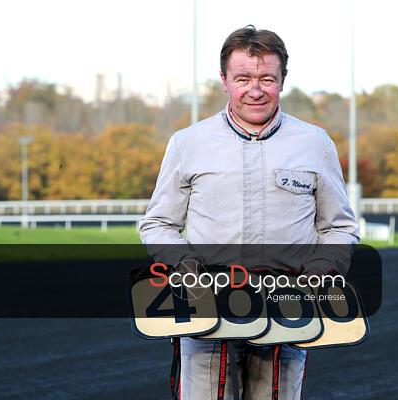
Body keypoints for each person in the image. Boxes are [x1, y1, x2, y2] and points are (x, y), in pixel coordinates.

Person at [140, 25, 359, 400]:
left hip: (287, 307)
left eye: (266, 79)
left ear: (282, 80)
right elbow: (158, 223)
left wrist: (322, 268)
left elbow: (340, 227)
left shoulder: (315, 143)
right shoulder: (188, 143)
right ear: (224, 80)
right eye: (243, 78)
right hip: (206, 306)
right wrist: (184, 264)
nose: (255, 90)